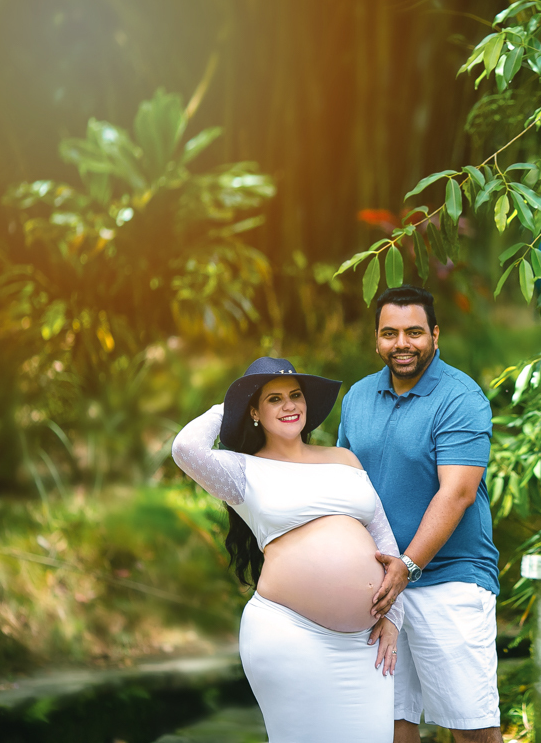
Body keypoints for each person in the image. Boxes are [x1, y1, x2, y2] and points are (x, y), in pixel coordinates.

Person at [172, 356, 404, 743]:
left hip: (364, 642)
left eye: (296, 395)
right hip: (290, 634)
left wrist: (395, 616)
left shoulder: (344, 459)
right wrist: (229, 406)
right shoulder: (242, 471)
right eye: (274, 399)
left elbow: (386, 544)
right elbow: (185, 447)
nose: (289, 405)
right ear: (256, 412)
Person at [338, 285, 502, 743]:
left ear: (434, 335)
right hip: (380, 585)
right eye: (390, 333)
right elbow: (346, 485)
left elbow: (458, 493)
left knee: (470, 726)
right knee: (388, 723)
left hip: (449, 578)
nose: (402, 344)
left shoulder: (460, 397)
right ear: (376, 340)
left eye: (414, 332)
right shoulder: (357, 398)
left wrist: (408, 566)